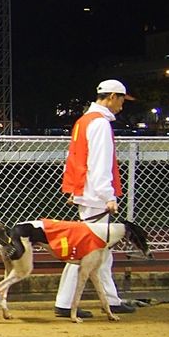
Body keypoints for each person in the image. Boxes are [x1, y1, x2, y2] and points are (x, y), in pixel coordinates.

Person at [55, 79, 137, 318]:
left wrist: (75, 191)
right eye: (121, 99)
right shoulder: (100, 124)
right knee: (89, 251)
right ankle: (66, 303)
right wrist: (108, 196)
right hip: (95, 196)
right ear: (112, 97)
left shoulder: (84, 121)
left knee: (97, 251)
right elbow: (99, 164)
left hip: (86, 192)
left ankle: (109, 300)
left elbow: (76, 159)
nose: (122, 105)